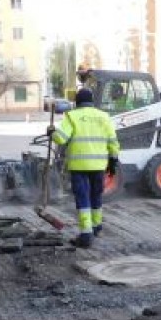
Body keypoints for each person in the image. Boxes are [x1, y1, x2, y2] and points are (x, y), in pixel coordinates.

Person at [48, 88, 120, 248]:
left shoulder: (72, 116)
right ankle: (97, 227)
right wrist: (113, 160)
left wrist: (52, 132)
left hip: (79, 167)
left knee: (83, 198)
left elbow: (61, 139)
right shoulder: (104, 117)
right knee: (96, 196)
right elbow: (113, 141)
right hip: (99, 166)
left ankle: (86, 234)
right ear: (92, 101)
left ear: (77, 102)